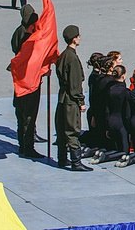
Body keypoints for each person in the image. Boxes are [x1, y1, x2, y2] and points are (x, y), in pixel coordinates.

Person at [55, 24, 92, 171]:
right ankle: (76, 162)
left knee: (62, 129)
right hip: (71, 100)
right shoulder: (73, 59)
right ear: (74, 39)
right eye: (78, 36)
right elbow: (75, 83)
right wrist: (81, 101)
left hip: (62, 98)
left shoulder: (63, 55)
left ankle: (62, 158)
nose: (80, 38)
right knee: (72, 130)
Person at [11, 4, 44, 159]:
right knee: (28, 115)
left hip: (20, 80)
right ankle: (28, 146)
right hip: (29, 80)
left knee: (22, 115)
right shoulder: (27, 35)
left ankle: (23, 145)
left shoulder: (18, 32)